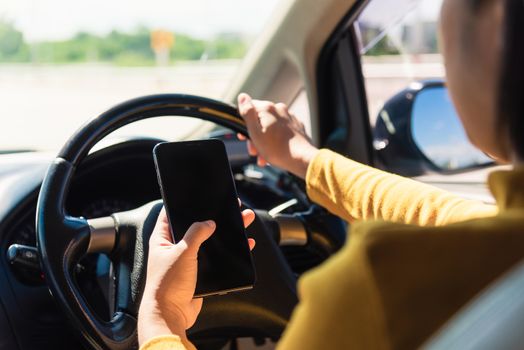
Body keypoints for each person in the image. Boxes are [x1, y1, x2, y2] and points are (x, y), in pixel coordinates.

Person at [138, 0, 524, 348]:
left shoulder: (384, 284)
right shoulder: (501, 249)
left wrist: (161, 318)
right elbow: (455, 218)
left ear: (496, 18)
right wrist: (304, 158)